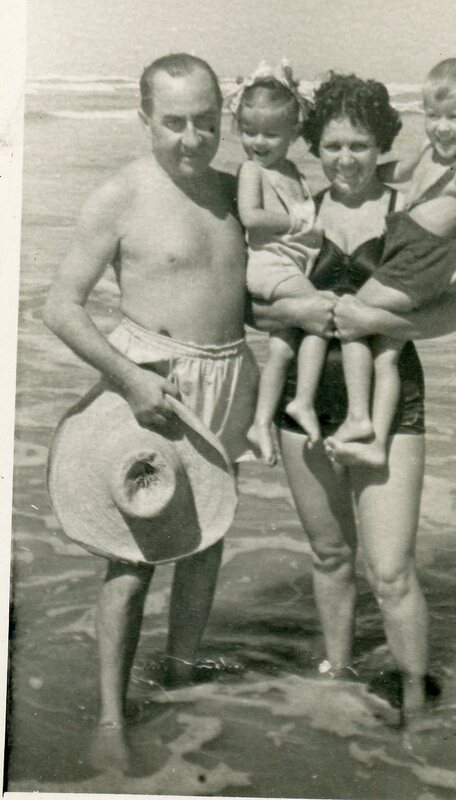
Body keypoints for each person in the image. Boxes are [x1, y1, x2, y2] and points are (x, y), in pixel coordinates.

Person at [43, 53, 260, 768]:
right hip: (153, 385)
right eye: (174, 123)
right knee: (131, 557)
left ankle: (181, 682)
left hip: (229, 376)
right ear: (144, 119)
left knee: (206, 541)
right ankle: (111, 717)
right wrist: (130, 379)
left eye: (206, 121)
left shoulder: (236, 192)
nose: (192, 139)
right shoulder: (120, 195)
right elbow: (60, 307)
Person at [251, 72, 456, 726]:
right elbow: (255, 308)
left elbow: (451, 313)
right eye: (333, 146)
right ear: (314, 145)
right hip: (305, 402)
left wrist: (376, 320)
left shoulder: (411, 209)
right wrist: (297, 310)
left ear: (381, 145)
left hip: (390, 406)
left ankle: (414, 700)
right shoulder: (300, 213)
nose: (345, 159)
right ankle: (339, 678)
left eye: (360, 145)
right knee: (329, 555)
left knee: (391, 570)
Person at [328, 58, 456, 467]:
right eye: (433, 115)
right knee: (386, 351)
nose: (441, 127)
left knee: (349, 315)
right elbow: (399, 172)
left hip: (422, 261)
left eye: (455, 117)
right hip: (408, 253)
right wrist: (362, 168)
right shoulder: (431, 150)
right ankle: (376, 444)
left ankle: (358, 417)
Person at [231, 59, 325, 465]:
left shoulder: (293, 172)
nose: (258, 142)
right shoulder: (252, 170)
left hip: (292, 264)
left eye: (270, 134)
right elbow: (251, 217)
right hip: (270, 266)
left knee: (283, 348)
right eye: (249, 131)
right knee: (322, 315)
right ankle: (302, 401)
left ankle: (260, 423)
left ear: (294, 133)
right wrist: (298, 223)